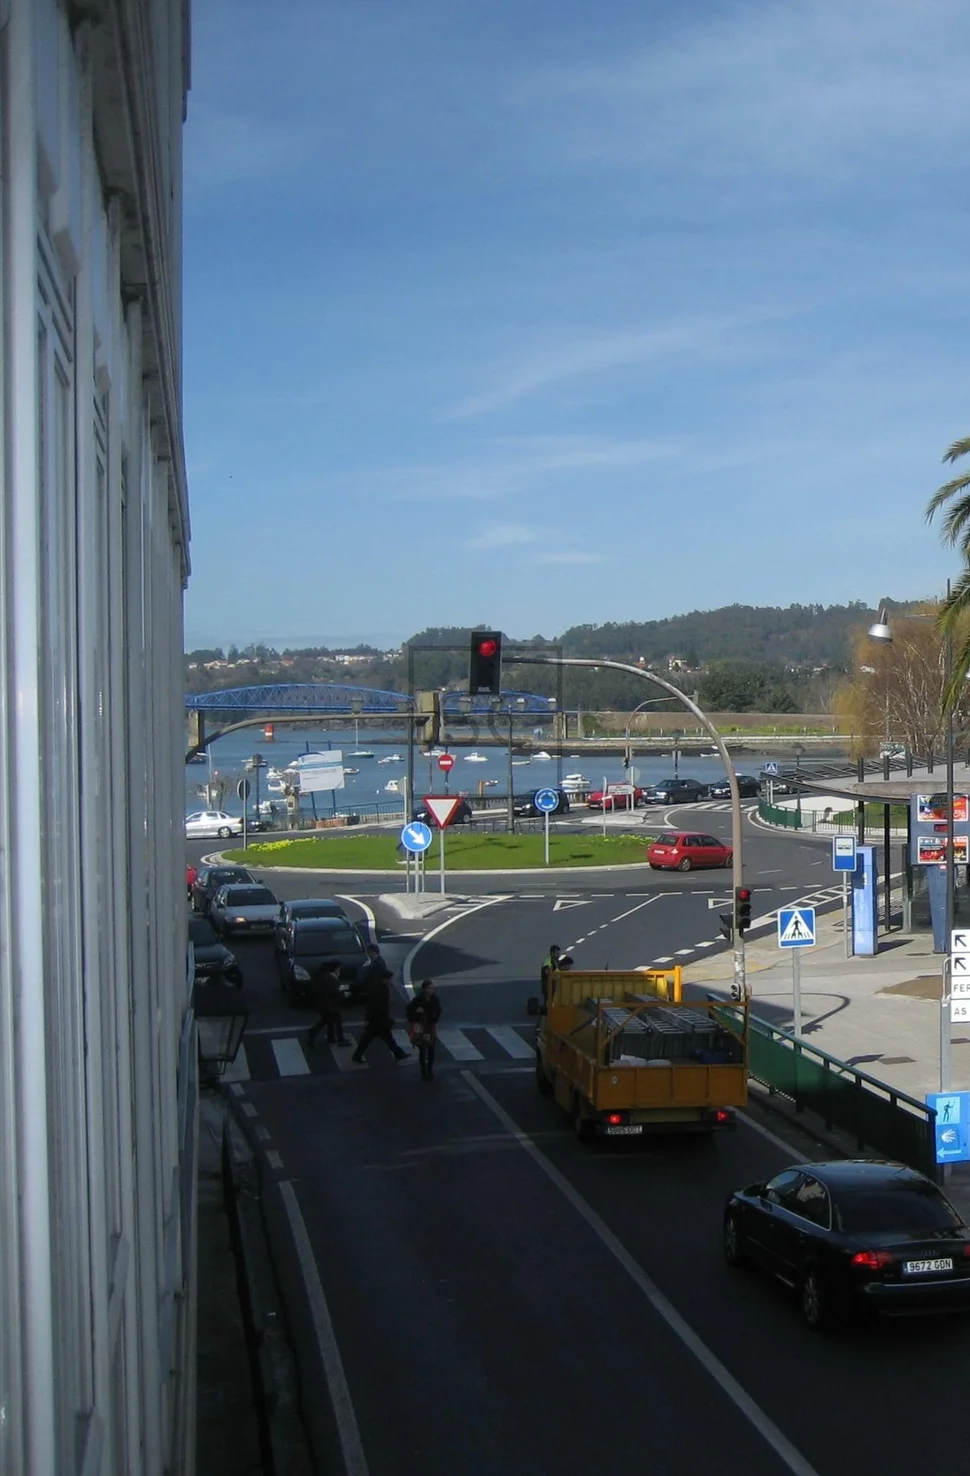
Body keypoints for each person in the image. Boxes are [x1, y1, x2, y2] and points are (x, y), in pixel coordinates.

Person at [352, 953, 407, 1064]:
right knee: (375, 1038)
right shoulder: (379, 990)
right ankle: (398, 1054)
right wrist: (369, 1018)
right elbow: (374, 1005)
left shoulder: (380, 988)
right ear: (384, 979)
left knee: (374, 1038)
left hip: (378, 1019)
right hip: (378, 1019)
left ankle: (398, 1053)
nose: (390, 981)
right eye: (388, 979)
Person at [406, 980, 442, 1081]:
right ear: (425, 989)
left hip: (430, 1026)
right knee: (422, 1047)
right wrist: (416, 1011)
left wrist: (434, 1019)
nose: (432, 990)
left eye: (433, 988)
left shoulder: (434, 999)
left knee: (431, 1047)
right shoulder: (418, 1000)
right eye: (430, 988)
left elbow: (438, 1011)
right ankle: (423, 1069)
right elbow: (409, 1010)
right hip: (420, 1025)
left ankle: (429, 1069)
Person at [306, 960, 348, 1047]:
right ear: (335, 969)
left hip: (326, 1004)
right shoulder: (331, 978)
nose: (340, 970)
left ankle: (329, 1037)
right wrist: (344, 994)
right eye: (339, 968)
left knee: (327, 1021)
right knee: (337, 1022)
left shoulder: (327, 977)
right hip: (331, 1005)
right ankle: (341, 1039)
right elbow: (335, 991)